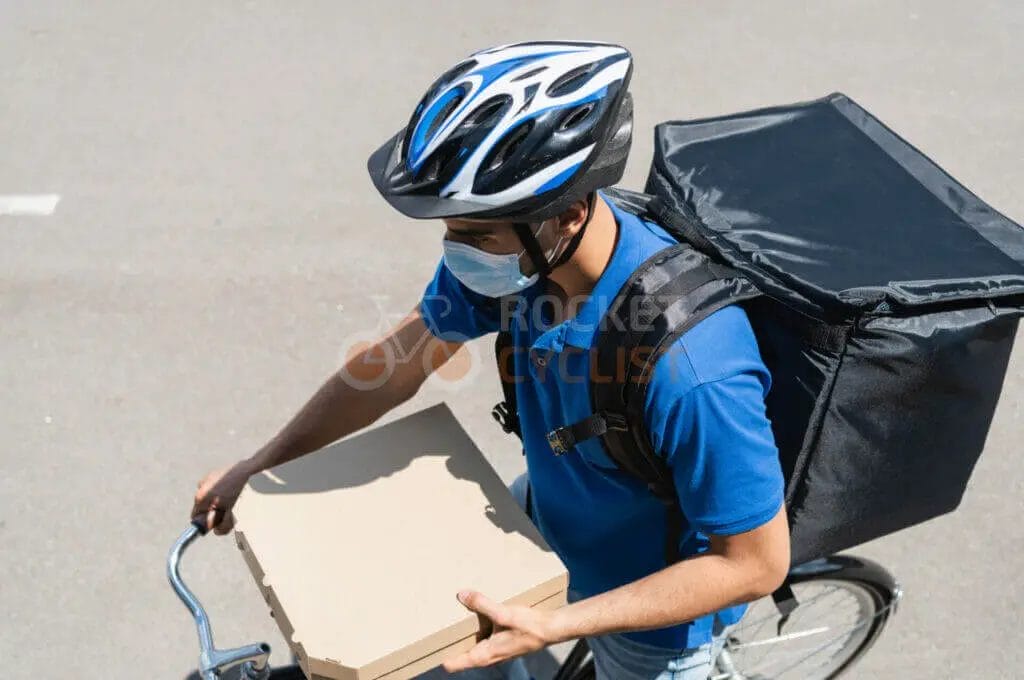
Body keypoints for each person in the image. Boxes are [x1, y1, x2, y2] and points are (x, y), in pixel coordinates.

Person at [192, 41, 789, 680]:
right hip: (546, 520)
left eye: (477, 235)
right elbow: (395, 366)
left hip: (652, 619)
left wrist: (556, 624)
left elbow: (752, 564)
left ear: (568, 215)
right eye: (452, 230)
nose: (458, 252)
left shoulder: (697, 369)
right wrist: (264, 465)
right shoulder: (520, 265)